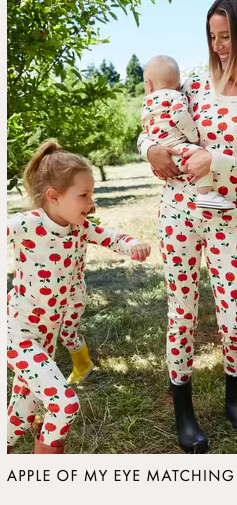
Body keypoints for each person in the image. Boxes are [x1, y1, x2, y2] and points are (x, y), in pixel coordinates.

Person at [137, 0, 237, 453]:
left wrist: (217, 160)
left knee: (234, 314)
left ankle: (235, 400)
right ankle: (184, 411)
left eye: (227, 35)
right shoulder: (193, 81)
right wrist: (150, 149)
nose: (219, 45)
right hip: (178, 216)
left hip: (230, 221)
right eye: (213, 35)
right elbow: (156, 118)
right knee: (181, 311)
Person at [7, 139, 151, 454]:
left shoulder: (81, 227)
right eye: (84, 195)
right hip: (17, 334)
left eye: (92, 193)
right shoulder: (26, 225)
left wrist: (133, 244)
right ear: (53, 196)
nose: (91, 202)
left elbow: (114, 238)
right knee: (63, 404)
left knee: (21, 416)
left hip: (45, 337)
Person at [142, 54, 235, 210]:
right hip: (177, 146)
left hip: (160, 148)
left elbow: (145, 129)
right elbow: (179, 115)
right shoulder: (176, 95)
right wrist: (193, 138)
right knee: (200, 156)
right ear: (178, 83)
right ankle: (205, 194)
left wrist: (151, 148)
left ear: (148, 85)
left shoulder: (148, 103)